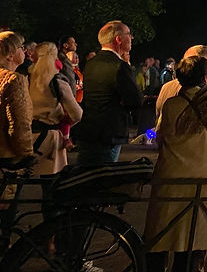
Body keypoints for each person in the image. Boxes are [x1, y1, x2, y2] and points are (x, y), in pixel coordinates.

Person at [143, 54, 207, 272]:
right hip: (202, 180)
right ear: (206, 76)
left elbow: (160, 137)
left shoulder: (172, 105)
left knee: (159, 238)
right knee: (189, 241)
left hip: (170, 178)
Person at [72, 21, 142, 166]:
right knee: (103, 174)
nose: (131, 38)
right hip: (110, 132)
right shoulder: (119, 66)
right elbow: (135, 100)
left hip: (90, 129)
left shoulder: (91, 63)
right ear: (118, 39)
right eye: (128, 34)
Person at [28, 42, 82, 174]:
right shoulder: (57, 81)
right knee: (51, 178)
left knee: (27, 177)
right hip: (51, 137)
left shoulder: (26, 79)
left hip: (28, 136)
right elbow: (77, 114)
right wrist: (65, 122)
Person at [0, 31, 33, 163]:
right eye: (21, 47)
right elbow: (19, 121)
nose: (25, 50)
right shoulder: (14, 79)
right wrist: (25, 152)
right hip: (6, 153)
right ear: (10, 55)